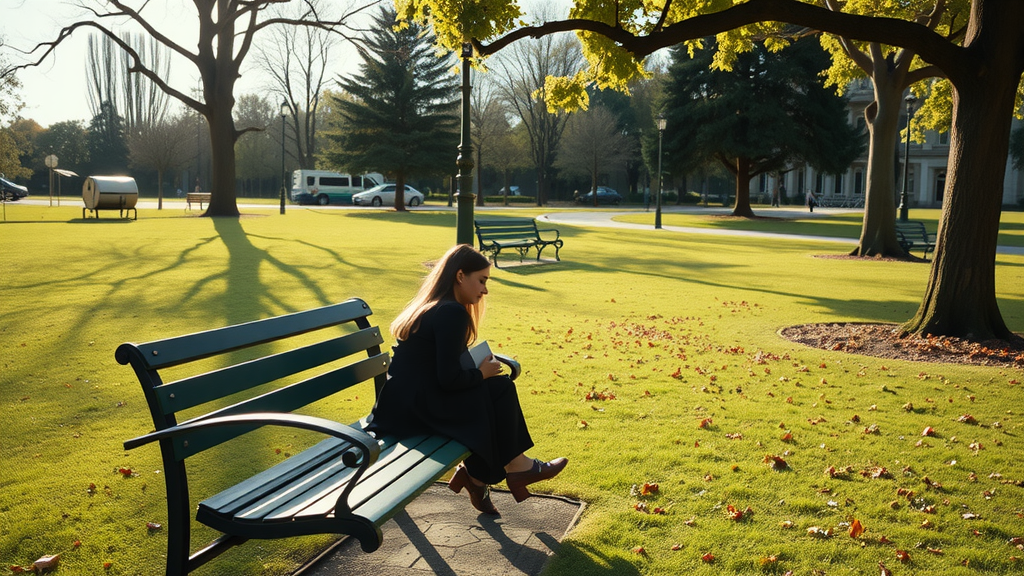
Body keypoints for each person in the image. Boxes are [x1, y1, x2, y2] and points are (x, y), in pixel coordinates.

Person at [366, 244, 568, 515]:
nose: (485, 290)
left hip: (402, 405)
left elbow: (440, 371)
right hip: (415, 411)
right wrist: (481, 372)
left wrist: (479, 373)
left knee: (497, 388)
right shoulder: (451, 312)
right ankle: (495, 473)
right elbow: (449, 379)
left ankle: (493, 473)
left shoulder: (435, 306)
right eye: (482, 280)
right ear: (460, 276)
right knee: (495, 391)